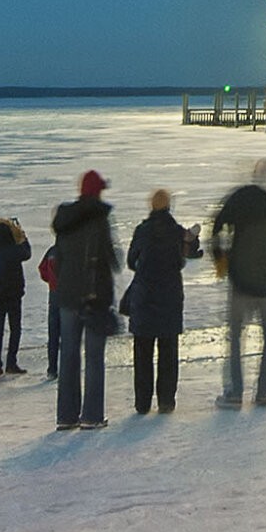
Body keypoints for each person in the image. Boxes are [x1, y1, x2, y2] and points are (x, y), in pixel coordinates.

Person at [212, 158, 266, 410]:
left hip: (240, 279)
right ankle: (263, 392)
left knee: (234, 337)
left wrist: (220, 258)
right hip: (265, 280)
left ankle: (234, 392)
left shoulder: (238, 198)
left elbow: (217, 226)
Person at [52, 170, 120, 431]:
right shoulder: (100, 219)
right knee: (93, 357)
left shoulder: (64, 218)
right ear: (97, 191)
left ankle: (66, 416)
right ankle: (91, 415)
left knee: (68, 354)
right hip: (95, 296)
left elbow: (59, 256)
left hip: (67, 295)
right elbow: (110, 259)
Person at [122, 189, 202, 413]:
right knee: (168, 352)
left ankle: (142, 403)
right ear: (169, 206)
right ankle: (166, 401)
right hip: (170, 297)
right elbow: (193, 253)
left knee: (142, 352)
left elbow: (131, 261)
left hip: (144, 297)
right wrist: (192, 237)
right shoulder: (177, 232)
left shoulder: (142, 231)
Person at [0, 216, 32, 377]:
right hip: (14, 293)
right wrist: (23, 236)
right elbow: (27, 253)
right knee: (15, 328)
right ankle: (11, 363)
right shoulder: (15, 250)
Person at [38, 244, 60, 379]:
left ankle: (52, 369)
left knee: (53, 334)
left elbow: (42, 269)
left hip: (54, 294)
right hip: (69, 294)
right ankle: (67, 367)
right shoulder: (73, 248)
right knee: (69, 335)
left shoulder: (52, 250)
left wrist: (51, 281)